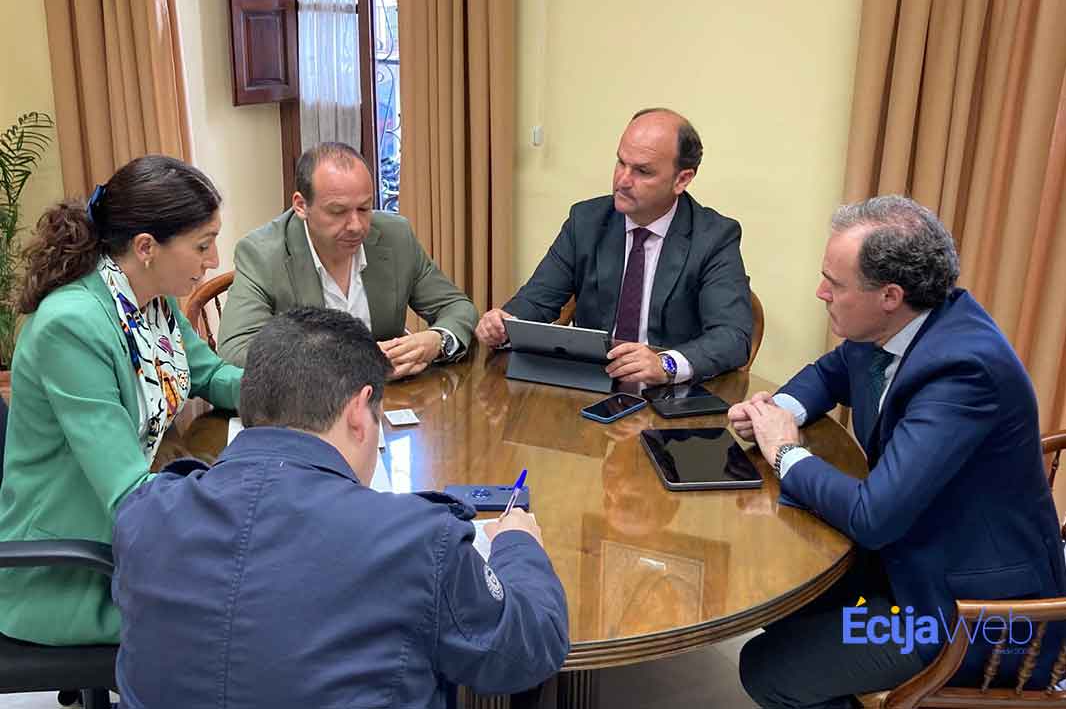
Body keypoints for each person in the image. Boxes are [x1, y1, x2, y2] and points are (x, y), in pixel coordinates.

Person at [112, 307, 569, 708]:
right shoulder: (417, 539)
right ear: (358, 411)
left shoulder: (144, 514)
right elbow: (528, 650)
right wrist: (517, 543)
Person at [730, 195, 1066, 708]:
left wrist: (784, 452)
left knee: (768, 668)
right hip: (907, 563)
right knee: (777, 592)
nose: (821, 292)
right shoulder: (898, 325)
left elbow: (873, 516)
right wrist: (777, 411)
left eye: (835, 284)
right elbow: (830, 373)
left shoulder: (963, 372)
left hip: (963, 617)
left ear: (890, 294)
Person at [0, 155, 242, 646]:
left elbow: (211, 374)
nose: (214, 260)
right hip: (67, 571)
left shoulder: (151, 299)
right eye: (203, 245)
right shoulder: (70, 327)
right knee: (241, 611)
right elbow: (127, 489)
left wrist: (298, 393)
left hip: (121, 533)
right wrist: (233, 511)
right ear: (146, 247)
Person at [475, 108, 752, 385]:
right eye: (621, 162)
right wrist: (504, 324)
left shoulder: (714, 237)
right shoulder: (586, 222)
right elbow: (537, 300)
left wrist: (666, 363)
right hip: (590, 384)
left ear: (682, 179)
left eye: (642, 171)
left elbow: (732, 337)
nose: (623, 180)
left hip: (667, 394)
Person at [218, 142, 478, 377]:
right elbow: (236, 351)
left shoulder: (396, 236)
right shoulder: (262, 254)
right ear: (301, 205)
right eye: (338, 211)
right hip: (310, 406)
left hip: (393, 399)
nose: (356, 225)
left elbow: (456, 306)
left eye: (364, 208)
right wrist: (353, 364)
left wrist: (438, 340)